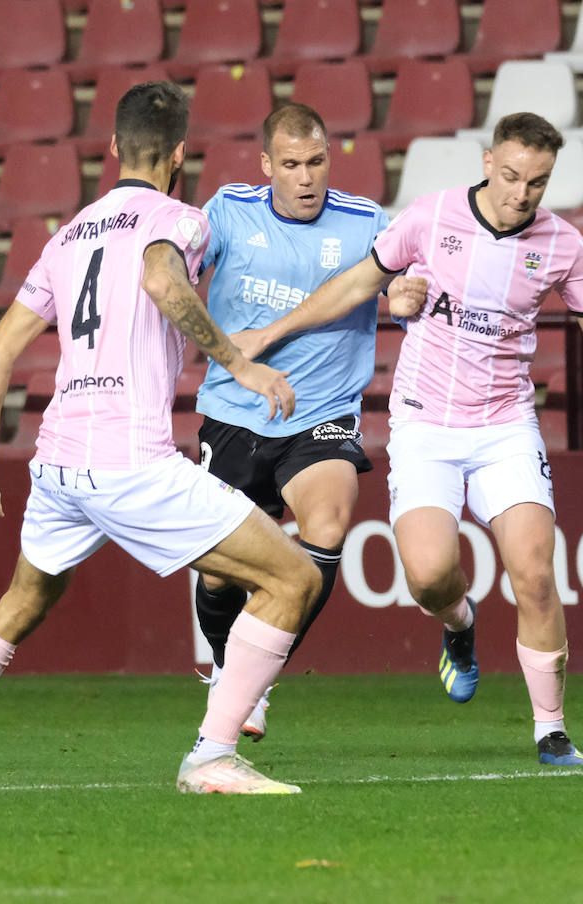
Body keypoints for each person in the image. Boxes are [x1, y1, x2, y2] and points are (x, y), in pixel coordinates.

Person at [0, 82, 324, 796]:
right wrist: (239, 364)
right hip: (128, 459)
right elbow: (161, 278)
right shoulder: (180, 218)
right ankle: (212, 755)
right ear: (181, 155)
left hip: (57, 460)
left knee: (23, 601)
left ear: (114, 148)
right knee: (292, 577)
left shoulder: (67, 235)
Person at [231, 113, 583, 766]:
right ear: (488, 162)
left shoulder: (563, 245)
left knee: (535, 573)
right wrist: (267, 336)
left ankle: (552, 730)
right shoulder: (431, 219)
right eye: (511, 176)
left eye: (536, 183)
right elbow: (354, 285)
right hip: (425, 426)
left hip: (505, 427)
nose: (521, 193)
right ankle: (459, 624)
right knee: (428, 577)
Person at [192, 103, 415, 741]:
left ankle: (254, 681)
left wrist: (403, 296)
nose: (305, 176)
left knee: (327, 527)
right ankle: (229, 664)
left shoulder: (366, 221)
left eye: (315, 161)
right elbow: (175, 283)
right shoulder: (228, 211)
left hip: (322, 415)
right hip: (234, 413)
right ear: (267, 167)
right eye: (290, 164)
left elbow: (402, 283)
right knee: (216, 571)